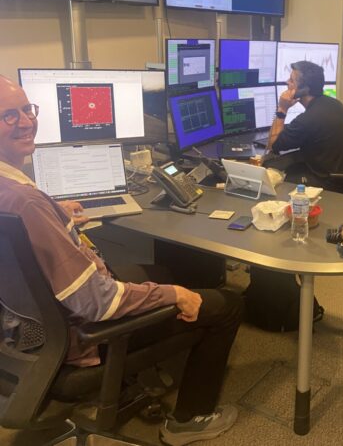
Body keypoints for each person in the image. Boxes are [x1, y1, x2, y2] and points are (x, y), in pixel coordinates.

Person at [0, 75, 244, 446]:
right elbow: (97, 302)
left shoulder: (16, 193)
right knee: (226, 304)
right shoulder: (26, 203)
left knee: (159, 271)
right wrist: (175, 295)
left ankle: (133, 376)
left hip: (27, 329)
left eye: (26, 110)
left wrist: (55, 211)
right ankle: (189, 420)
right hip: (81, 336)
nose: (26, 121)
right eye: (8, 115)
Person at [266, 60, 343, 193]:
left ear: (305, 89)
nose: (287, 82)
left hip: (330, 182)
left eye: (292, 80)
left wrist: (282, 109)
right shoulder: (335, 104)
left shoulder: (307, 119)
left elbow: (273, 144)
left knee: (278, 178)